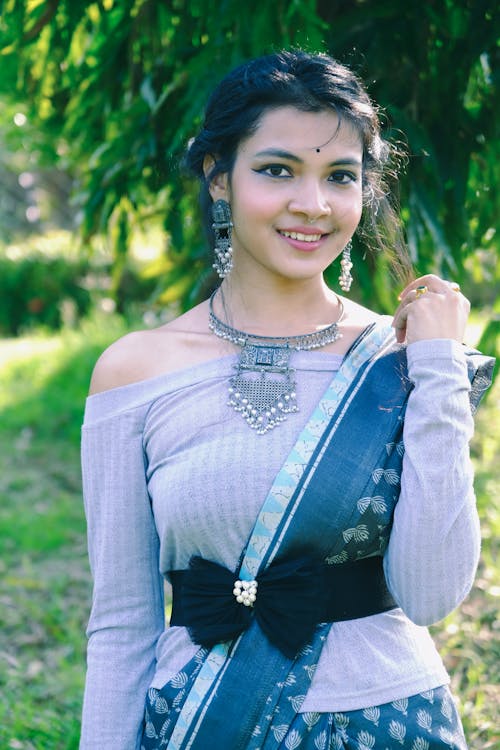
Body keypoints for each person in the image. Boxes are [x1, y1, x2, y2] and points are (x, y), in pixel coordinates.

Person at [79, 50, 494, 749]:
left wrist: (438, 367)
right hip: (203, 721)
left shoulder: (399, 360)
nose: (313, 204)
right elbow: (122, 623)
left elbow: (431, 593)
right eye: (277, 170)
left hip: (388, 720)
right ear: (219, 178)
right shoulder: (135, 371)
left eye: (341, 177)